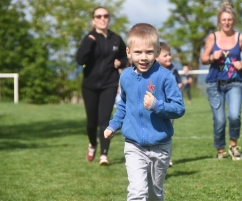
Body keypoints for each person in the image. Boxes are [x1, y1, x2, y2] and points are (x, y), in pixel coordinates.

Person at [104, 23, 185, 200]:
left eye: (149, 52)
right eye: (138, 52)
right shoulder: (125, 76)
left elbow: (179, 108)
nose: (143, 57)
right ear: (128, 52)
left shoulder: (165, 76)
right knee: (137, 192)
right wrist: (113, 125)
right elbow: (124, 105)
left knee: (154, 194)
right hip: (134, 146)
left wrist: (157, 105)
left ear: (157, 52)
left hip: (161, 146)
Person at [200, 1, 242, 160]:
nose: (227, 22)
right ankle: (220, 150)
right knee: (220, 120)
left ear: (233, 20)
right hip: (214, 84)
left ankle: (233, 146)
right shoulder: (212, 37)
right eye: (224, 20)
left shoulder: (240, 37)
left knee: (234, 116)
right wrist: (211, 57)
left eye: (229, 19)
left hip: (235, 83)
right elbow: (203, 59)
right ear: (219, 21)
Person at [76, 6, 127, 165]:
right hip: (90, 85)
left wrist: (121, 62)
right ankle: (92, 144)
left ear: (109, 18)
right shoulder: (89, 38)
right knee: (92, 123)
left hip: (109, 84)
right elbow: (80, 60)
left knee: (104, 120)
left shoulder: (116, 39)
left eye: (105, 15)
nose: (102, 18)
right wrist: (89, 43)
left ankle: (104, 154)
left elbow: (127, 57)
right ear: (93, 20)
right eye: (98, 16)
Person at [156, 41, 182, 167]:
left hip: (169, 108)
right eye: (165, 56)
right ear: (157, 57)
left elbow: (180, 84)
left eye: (169, 55)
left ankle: (167, 158)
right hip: (155, 108)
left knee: (167, 133)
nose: (169, 58)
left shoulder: (173, 70)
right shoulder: (153, 70)